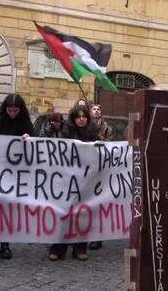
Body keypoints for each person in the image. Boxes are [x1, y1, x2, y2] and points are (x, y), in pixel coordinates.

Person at [0, 94, 34, 261]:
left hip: (13, 173)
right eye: (9, 110)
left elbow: (33, 138)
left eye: (15, 111)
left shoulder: (24, 121)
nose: (12, 113)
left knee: (7, 210)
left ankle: (5, 245)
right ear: (4, 109)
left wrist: (28, 138)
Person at [48, 104, 99, 261]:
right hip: (67, 179)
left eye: (84, 116)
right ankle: (58, 248)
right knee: (65, 212)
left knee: (83, 213)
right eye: (78, 116)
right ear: (74, 118)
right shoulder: (66, 132)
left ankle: (80, 247)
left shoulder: (93, 132)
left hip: (86, 179)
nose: (82, 119)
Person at [88, 104, 111, 250]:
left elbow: (110, 143)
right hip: (88, 167)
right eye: (94, 109)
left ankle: (98, 237)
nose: (96, 111)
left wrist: (99, 137)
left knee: (100, 203)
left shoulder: (106, 127)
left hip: (101, 166)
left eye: (98, 109)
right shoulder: (85, 124)